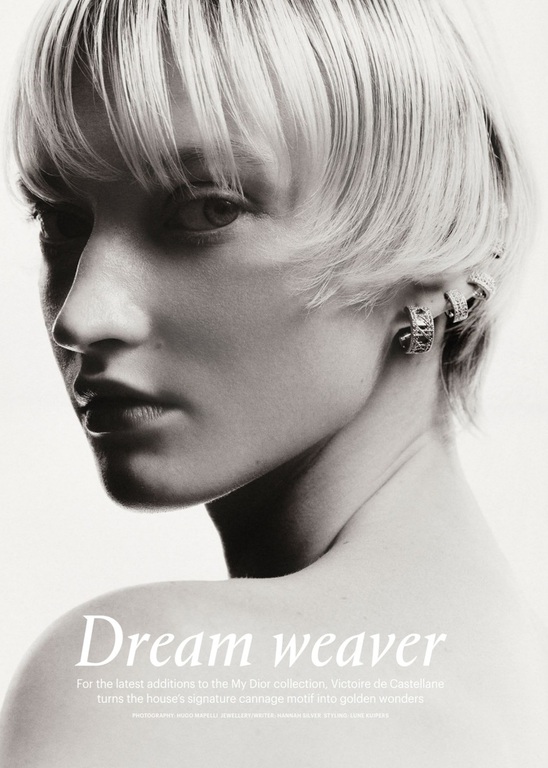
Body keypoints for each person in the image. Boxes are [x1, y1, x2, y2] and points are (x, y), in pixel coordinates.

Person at [0, 0, 546, 766]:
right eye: (61, 222)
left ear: (438, 237)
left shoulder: (148, 687)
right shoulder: (515, 691)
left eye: (208, 209)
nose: (82, 317)